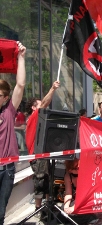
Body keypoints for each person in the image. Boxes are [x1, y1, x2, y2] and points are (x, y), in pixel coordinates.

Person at [25, 81, 60, 220]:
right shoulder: (33, 117)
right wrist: (52, 88)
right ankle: (39, 209)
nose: (42, 107)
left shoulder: (38, 119)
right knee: (40, 181)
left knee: (48, 180)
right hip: (36, 156)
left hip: (43, 155)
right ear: (34, 108)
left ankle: (48, 208)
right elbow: (45, 103)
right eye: (39, 105)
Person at [0, 41, 26, 225]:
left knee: (0, 209)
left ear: (6, 98)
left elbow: (20, 84)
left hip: (7, 168)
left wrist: (21, 57)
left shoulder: (9, 110)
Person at [58, 158, 98, 224]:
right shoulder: (68, 176)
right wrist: (66, 206)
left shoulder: (85, 174)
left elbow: (85, 195)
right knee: (62, 210)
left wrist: (74, 207)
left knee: (76, 210)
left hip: (86, 200)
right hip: (76, 199)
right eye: (77, 167)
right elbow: (68, 193)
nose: (80, 167)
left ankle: (87, 219)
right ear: (71, 170)